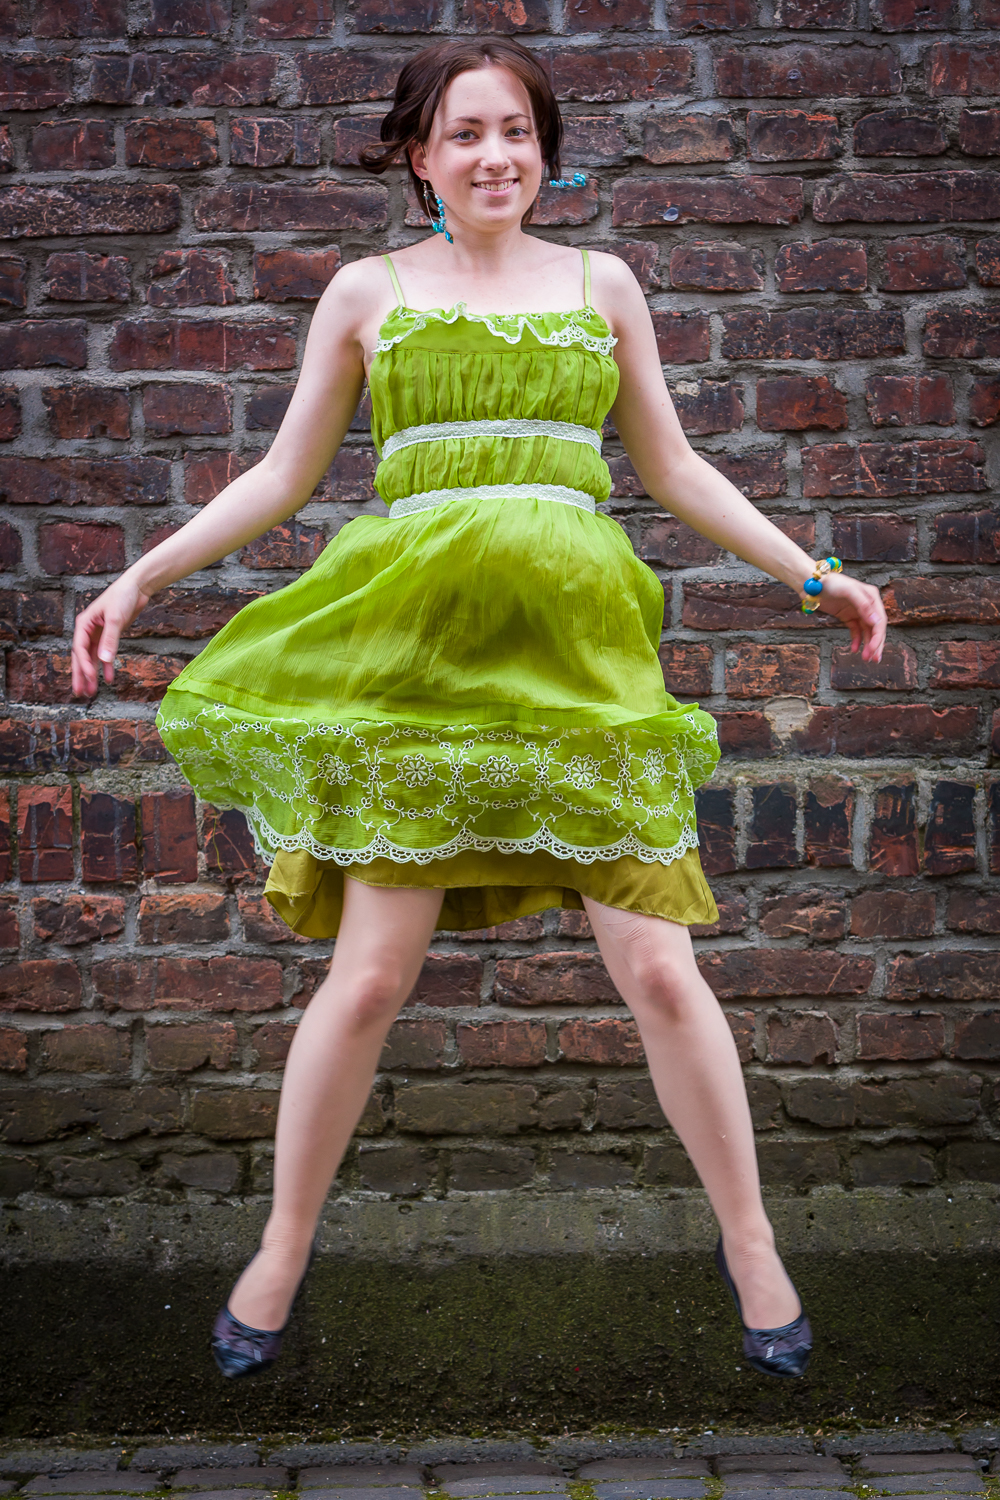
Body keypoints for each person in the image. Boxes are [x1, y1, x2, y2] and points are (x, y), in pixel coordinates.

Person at [71, 36, 887, 1383]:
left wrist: (815, 573)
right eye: (465, 133)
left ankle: (751, 1244)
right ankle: (279, 1249)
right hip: (420, 670)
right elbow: (280, 475)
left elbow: (676, 466)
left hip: (584, 670)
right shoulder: (368, 292)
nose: (495, 154)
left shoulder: (603, 285)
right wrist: (138, 577)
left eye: (517, 131)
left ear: (545, 151)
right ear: (420, 157)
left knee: (660, 969)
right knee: (371, 979)